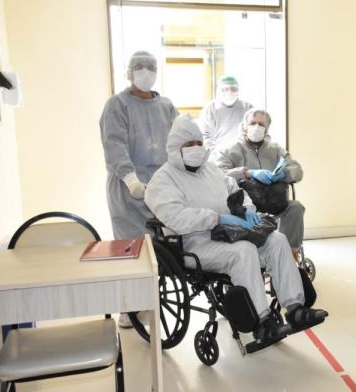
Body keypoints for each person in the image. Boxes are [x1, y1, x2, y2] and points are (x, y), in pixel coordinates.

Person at [144, 114, 327, 340]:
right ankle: (262, 320)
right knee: (244, 252)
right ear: (174, 148)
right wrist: (217, 219)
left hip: (232, 235)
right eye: (188, 145)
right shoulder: (161, 181)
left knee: (277, 240)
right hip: (195, 244)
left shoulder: (211, 170)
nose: (196, 148)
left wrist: (247, 211)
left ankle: (296, 308)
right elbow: (176, 217)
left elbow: (237, 193)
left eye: (198, 143)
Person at [99, 50, 179, 328]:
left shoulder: (167, 106)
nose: (146, 72)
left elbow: (180, 140)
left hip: (162, 187)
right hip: (128, 187)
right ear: (129, 73)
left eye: (151, 67)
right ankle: (128, 308)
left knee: (160, 249)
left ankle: (151, 298)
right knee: (129, 248)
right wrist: (130, 178)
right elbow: (115, 144)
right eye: (140, 67)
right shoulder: (117, 105)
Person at [215, 108, 305, 261]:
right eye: (252, 123)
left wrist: (284, 174)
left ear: (267, 128)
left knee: (295, 207)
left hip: (274, 201)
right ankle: (253, 258)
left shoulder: (275, 149)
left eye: (261, 124)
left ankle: (289, 254)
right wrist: (247, 173)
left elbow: (297, 170)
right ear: (244, 126)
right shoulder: (230, 150)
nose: (256, 127)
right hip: (245, 204)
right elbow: (217, 174)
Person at [200, 76, 253, 155]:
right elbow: (205, 135)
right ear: (218, 91)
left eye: (233, 89)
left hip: (243, 153)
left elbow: (257, 131)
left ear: (238, 90)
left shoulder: (247, 108)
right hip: (217, 154)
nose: (229, 92)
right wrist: (215, 154)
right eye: (225, 89)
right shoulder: (211, 109)